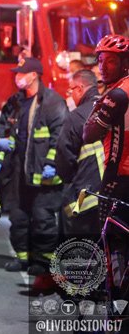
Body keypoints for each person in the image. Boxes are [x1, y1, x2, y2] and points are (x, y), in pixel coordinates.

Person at [0, 58, 67, 274]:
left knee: (42, 218)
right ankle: (23, 257)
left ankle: (42, 262)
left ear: (34, 75)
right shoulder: (15, 101)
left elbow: (59, 136)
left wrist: (52, 164)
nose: (17, 77)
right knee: (18, 217)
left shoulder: (52, 102)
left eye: (21, 73)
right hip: (18, 172)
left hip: (43, 174)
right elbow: (3, 129)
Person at [56, 69, 103, 238]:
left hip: (87, 196)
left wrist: (68, 181)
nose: (70, 95)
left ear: (80, 88)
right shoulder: (111, 109)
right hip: (113, 194)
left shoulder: (76, 116)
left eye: (71, 90)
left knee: (83, 249)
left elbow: (63, 157)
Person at [83, 34, 129, 201]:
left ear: (124, 64)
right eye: (100, 60)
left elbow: (88, 135)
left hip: (118, 176)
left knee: (109, 227)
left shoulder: (118, 94)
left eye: (110, 61)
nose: (103, 67)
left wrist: (100, 103)